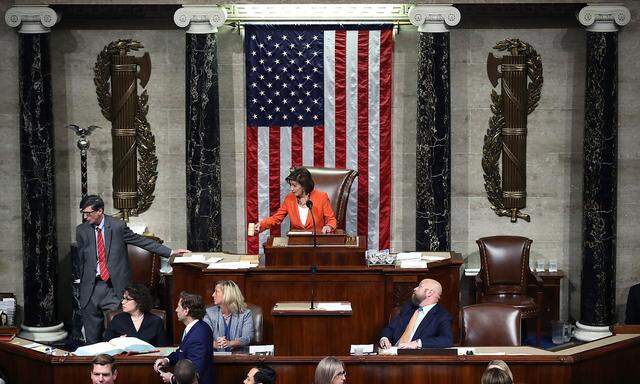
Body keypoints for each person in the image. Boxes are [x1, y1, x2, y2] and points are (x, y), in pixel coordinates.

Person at [77, 194, 189, 344]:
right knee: (92, 339)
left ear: (100, 211)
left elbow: (141, 241)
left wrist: (170, 252)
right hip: (91, 289)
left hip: (113, 287)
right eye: (83, 213)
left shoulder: (117, 226)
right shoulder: (82, 230)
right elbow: (81, 260)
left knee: (114, 336)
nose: (85, 217)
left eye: (89, 213)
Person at [254, 167, 337, 234]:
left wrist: (328, 226)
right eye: (290, 185)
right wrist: (262, 224)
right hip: (296, 245)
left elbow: (331, 220)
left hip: (317, 243)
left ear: (304, 185)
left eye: (294, 185)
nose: (291, 189)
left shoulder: (322, 197)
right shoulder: (289, 199)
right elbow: (276, 218)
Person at [154, 292, 214, 384]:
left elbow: (196, 373)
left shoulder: (198, 335)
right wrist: (166, 360)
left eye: (178, 307)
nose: (176, 310)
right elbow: (182, 351)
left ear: (186, 310)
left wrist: (172, 378)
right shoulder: (197, 327)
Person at [379, 278, 453, 349]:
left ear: (429, 293)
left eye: (420, 287)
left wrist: (418, 343)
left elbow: (446, 339)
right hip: (392, 352)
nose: (415, 288)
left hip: (415, 356)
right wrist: (384, 338)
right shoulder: (409, 308)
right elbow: (390, 328)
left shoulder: (442, 315)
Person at [203, 280, 254, 350]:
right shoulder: (209, 313)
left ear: (227, 295)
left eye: (216, 292)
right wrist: (215, 344)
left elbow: (248, 337)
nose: (213, 295)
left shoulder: (245, 314)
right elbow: (204, 337)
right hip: (216, 357)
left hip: (238, 356)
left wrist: (230, 343)